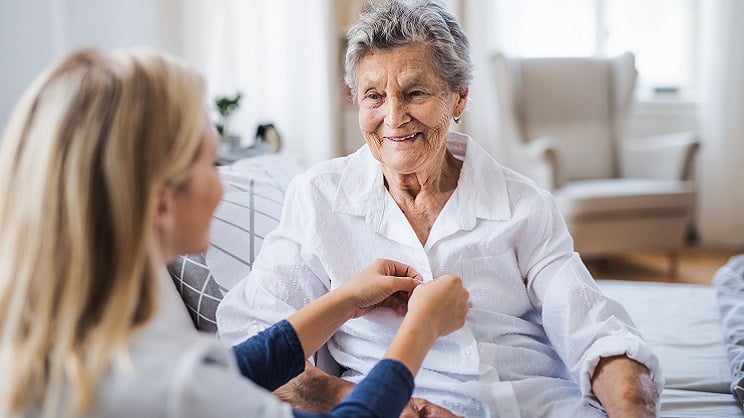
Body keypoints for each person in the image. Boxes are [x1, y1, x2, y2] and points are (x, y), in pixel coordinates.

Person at [216, 1, 663, 417]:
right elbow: (251, 336)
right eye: (374, 96)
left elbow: (596, 332)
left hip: (533, 404)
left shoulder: (522, 204)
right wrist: (348, 397)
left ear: (460, 97)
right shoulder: (319, 198)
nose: (393, 117)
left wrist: (629, 406)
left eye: (414, 93)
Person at [0, 47, 472, 418]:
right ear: (163, 202)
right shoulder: (174, 388)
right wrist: (420, 328)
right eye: (211, 163)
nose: (223, 184)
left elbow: (237, 370)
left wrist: (344, 300)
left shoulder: (75, 351)